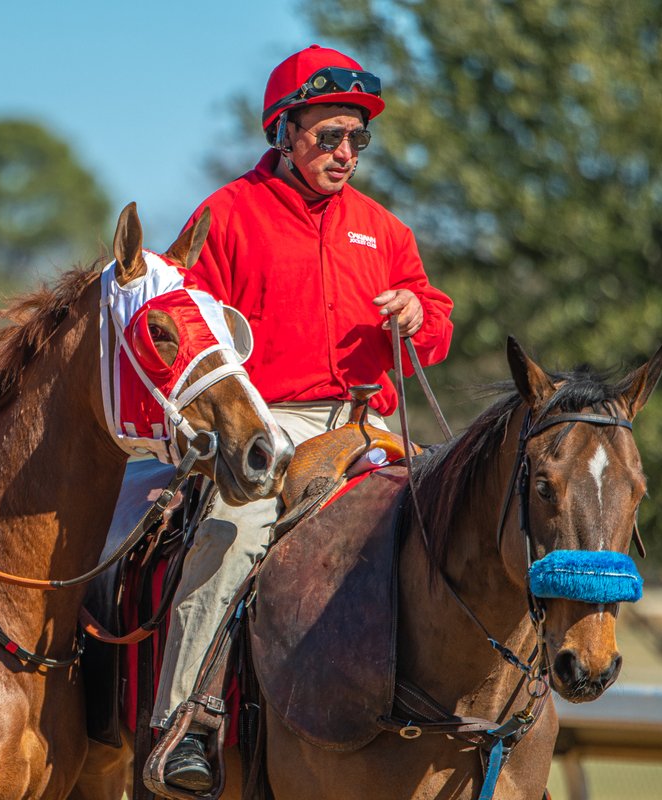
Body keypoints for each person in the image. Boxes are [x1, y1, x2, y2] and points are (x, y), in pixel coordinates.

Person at [153, 44, 454, 791]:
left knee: (449, 519)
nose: (346, 153)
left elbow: (437, 317)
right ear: (284, 132)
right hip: (264, 425)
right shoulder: (224, 216)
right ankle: (186, 726)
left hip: (361, 429)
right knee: (232, 533)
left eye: (358, 139)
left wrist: (417, 314)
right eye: (329, 136)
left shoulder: (383, 231)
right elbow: (170, 321)